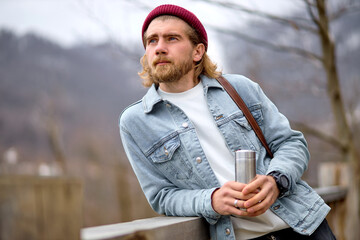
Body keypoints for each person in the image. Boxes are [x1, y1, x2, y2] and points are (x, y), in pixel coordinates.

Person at [119, 4, 336, 240]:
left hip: (305, 227)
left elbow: (292, 143)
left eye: (171, 38)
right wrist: (210, 200)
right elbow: (161, 197)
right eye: (152, 41)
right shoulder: (136, 122)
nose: (159, 48)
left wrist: (276, 181)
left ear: (197, 52)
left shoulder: (240, 89)